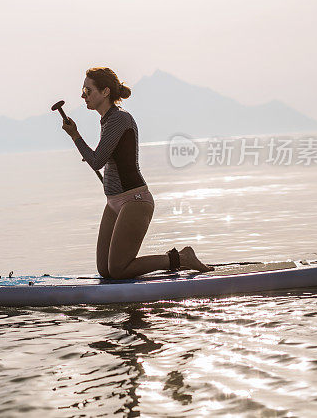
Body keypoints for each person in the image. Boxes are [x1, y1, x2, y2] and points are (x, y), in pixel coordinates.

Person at [61, 67, 212, 279]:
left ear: (105, 92)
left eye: (88, 90)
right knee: (105, 270)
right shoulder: (107, 120)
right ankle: (173, 261)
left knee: (118, 270)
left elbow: (97, 161)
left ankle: (182, 258)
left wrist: (75, 135)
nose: (83, 95)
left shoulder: (119, 119)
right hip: (113, 202)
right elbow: (106, 156)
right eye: (82, 90)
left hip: (135, 200)